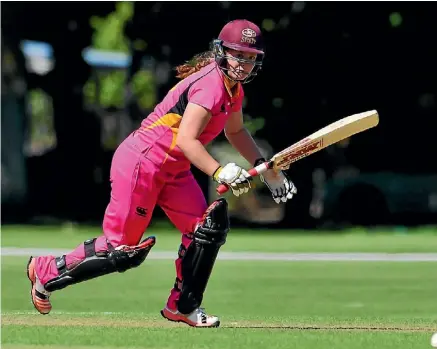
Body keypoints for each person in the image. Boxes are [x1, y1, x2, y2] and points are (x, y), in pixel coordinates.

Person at [26, 19, 297, 328]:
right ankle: (46, 270)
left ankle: (183, 306)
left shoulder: (233, 91)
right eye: (238, 55)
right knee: (122, 249)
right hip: (143, 163)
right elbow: (186, 139)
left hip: (175, 169)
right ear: (222, 52)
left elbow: (235, 132)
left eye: (251, 57)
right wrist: (219, 170)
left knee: (207, 229)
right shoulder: (210, 86)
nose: (244, 64)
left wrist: (267, 170)